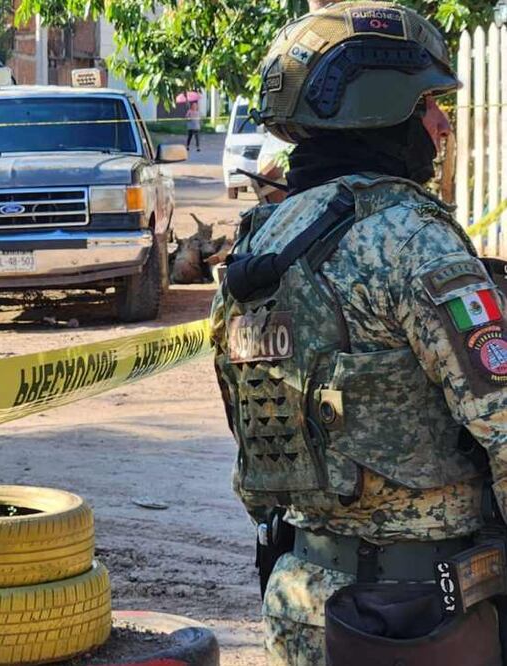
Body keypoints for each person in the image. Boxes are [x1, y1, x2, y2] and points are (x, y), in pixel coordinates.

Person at [211, 3, 507, 664]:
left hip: (299, 602)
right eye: (427, 103)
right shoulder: (411, 237)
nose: (438, 122)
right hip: (422, 617)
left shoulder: (264, 243)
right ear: (385, 109)